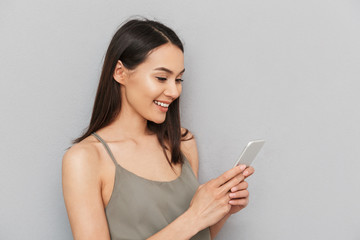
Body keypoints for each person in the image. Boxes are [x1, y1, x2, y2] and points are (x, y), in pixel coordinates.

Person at [62, 18, 255, 240]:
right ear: (120, 73)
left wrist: (220, 211)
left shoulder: (182, 142)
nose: (174, 91)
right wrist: (195, 217)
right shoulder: (84, 159)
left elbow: (197, 235)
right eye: (162, 78)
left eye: (179, 79)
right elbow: (192, 223)